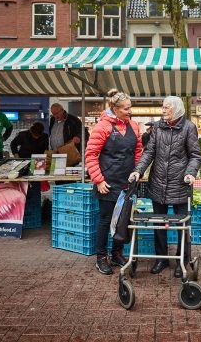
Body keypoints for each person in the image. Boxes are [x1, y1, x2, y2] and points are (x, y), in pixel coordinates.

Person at [129, 96, 201, 278]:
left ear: (176, 109)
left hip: (180, 184)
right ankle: (161, 259)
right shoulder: (158, 128)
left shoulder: (189, 127)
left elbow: (195, 155)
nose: (163, 110)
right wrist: (138, 170)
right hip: (158, 183)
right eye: (163, 107)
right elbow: (149, 152)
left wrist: (190, 173)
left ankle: (182, 260)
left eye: (166, 108)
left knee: (183, 225)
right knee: (159, 224)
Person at [85, 89, 142, 275]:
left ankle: (117, 253)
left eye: (130, 108)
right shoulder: (103, 126)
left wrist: (137, 171)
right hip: (107, 182)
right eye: (125, 108)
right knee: (106, 220)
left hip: (127, 182)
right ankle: (101, 257)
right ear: (114, 109)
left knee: (123, 220)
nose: (129, 111)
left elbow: (138, 151)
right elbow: (91, 155)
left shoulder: (133, 126)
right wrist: (98, 180)